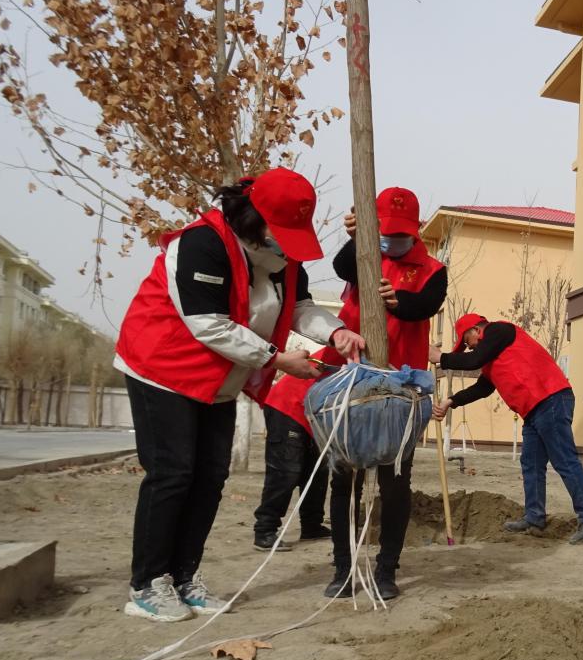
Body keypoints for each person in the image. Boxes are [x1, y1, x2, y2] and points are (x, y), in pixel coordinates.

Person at [114, 168, 363, 622]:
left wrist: (339, 331)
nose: (285, 245)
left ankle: (185, 577)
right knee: (173, 473)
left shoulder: (283, 259)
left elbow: (301, 308)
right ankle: (148, 584)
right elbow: (208, 323)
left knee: (210, 476)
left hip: (219, 381)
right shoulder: (201, 245)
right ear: (252, 219)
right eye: (279, 232)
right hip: (163, 369)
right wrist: (277, 358)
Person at [323, 186, 446, 600]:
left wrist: (398, 303)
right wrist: (358, 238)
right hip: (353, 383)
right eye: (384, 232)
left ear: (416, 231)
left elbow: (426, 305)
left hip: (401, 390)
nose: (393, 241)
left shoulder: (432, 268)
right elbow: (342, 269)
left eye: (400, 234)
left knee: (396, 481)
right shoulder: (365, 255)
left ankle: (387, 568)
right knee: (344, 480)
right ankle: (343, 568)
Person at [429, 314, 583, 544]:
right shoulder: (492, 357)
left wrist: (441, 357)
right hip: (533, 410)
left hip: (550, 399)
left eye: (466, 341)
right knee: (530, 464)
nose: (467, 347)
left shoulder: (499, 331)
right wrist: (450, 401)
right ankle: (534, 518)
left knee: (564, 459)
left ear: (475, 330)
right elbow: (482, 388)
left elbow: (473, 359)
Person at [250, 370, 332, 550]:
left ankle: (311, 525)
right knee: (286, 470)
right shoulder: (349, 346)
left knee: (317, 469)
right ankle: (265, 530)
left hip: (313, 411)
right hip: (288, 403)